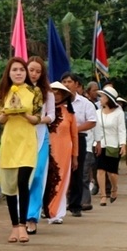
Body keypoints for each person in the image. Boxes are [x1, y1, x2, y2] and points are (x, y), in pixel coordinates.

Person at [0, 57, 43, 243]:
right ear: (9, 72)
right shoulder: (3, 92)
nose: (18, 73)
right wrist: (8, 112)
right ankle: (14, 227)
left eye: (22, 70)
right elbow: (0, 119)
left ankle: (23, 225)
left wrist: (24, 113)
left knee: (23, 181)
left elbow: (37, 118)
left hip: (27, 141)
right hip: (9, 141)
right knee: (9, 187)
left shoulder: (34, 91)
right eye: (14, 70)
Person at [61, 73, 97, 217]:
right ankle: (54, 204)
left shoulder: (85, 103)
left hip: (79, 139)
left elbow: (92, 121)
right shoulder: (57, 102)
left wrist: (75, 129)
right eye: (63, 81)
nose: (66, 84)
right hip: (59, 139)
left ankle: (75, 205)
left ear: (77, 84)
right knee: (58, 171)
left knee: (77, 172)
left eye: (69, 81)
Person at [25, 56, 54, 234]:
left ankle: (32, 216)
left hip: (41, 135)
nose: (34, 74)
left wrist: (38, 120)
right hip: (21, 137)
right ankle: (20, 216)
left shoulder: (47, 93)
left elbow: (51, 115)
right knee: (22, 177)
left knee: (37, 176)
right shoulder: (18, 90)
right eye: (31, 70)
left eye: (38, 71)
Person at [44, 82, 78, 223]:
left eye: (59, 93)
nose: (56, 96)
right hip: (46, 149)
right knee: (45, 179)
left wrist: (75, 156)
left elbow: (74, 135)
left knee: (60, 180)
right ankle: (44, 208)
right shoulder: (44, 111)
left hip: (64, 151)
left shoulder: (69, 113)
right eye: (53, 92)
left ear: (64, 95)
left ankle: (56, 212)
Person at [94, 86, 127, 206]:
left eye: (102, 96)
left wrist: (123, 144)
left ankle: (114, 188)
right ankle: (103, 196)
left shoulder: (119, 113)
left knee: (112, 172)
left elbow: (121, 130)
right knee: (100, 169)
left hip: (114, 145)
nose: (100, 98)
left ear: (109, 99)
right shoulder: (97, 113)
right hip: (99, 145)